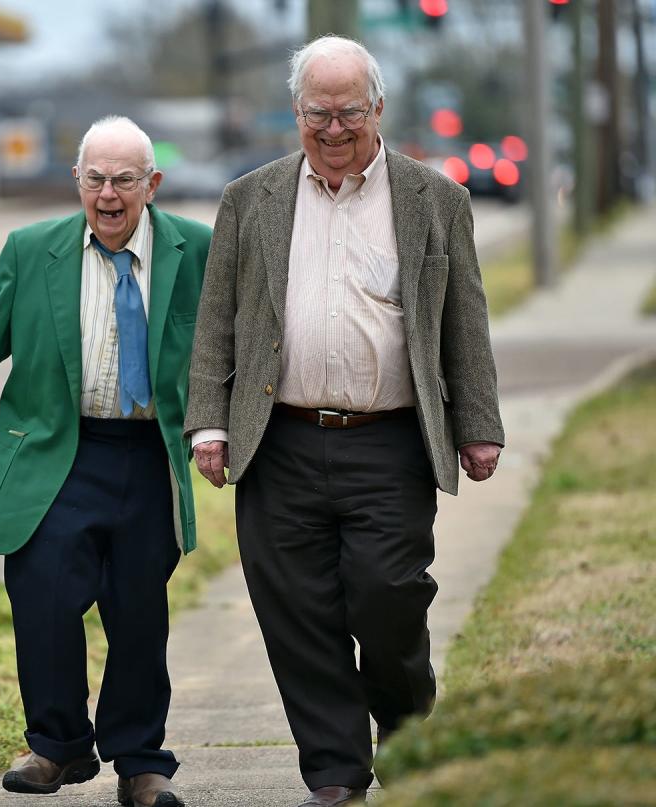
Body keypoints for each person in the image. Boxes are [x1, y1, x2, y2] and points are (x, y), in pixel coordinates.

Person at [184, 35, 504, 807]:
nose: (333, 128)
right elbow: (217, 317)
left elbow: (464, 319)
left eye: (349, 111)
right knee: (296, 610)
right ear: (296, 112)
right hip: (280, 437)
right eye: (317, 112)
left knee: (388, 597)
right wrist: (209, 422)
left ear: (379, 108)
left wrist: (478, 423)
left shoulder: (435, 198)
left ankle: (408, 733)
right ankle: (334, 774)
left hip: (388, 442)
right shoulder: (249, 197)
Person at [0, 116, 211, 807]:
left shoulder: (197, 250)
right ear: (77, 180)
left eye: (124, 179)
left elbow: (228, 353)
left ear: (151, 184)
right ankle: (57, 745)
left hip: (146, 455)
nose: (107, 194)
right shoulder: (30, 249)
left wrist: (223, 436)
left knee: (137, 615)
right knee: (41, 597)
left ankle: (140, 761)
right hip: (55, 456)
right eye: (94, 178)